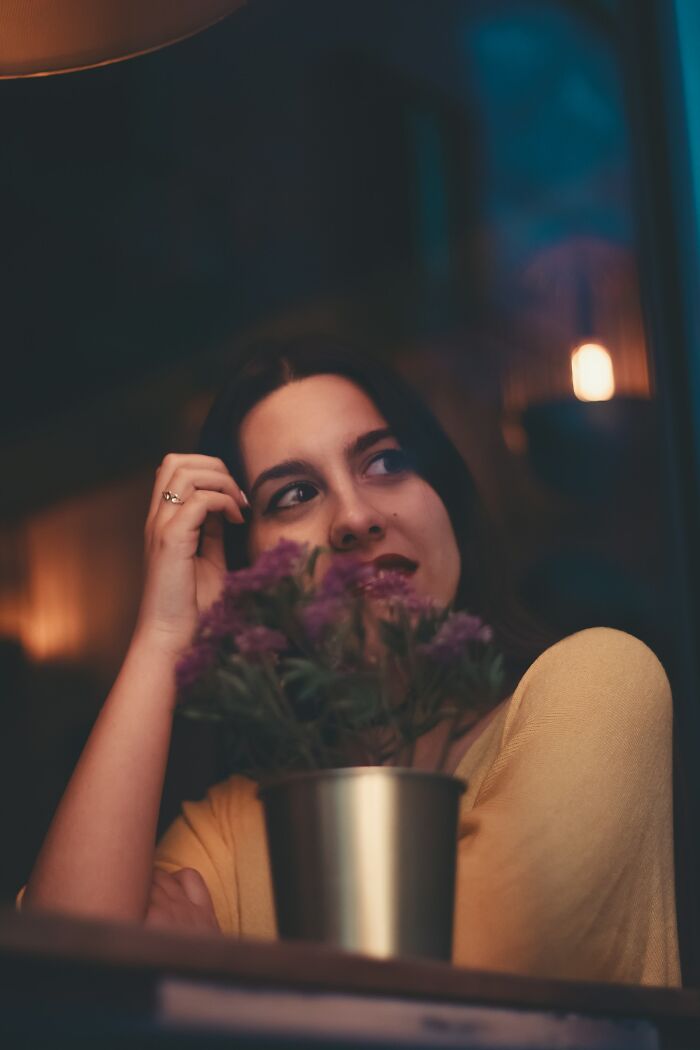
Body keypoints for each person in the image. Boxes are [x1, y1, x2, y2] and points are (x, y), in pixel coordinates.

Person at [19, 336, 680, 986]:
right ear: (249, 573)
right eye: (294, 495)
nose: (356, 516)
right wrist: (162, 635)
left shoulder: (598, 683)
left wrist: (218, 986)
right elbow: (64, 977)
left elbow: (448, 977)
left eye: (385, 462)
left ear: (444, 496)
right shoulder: (237, 824)